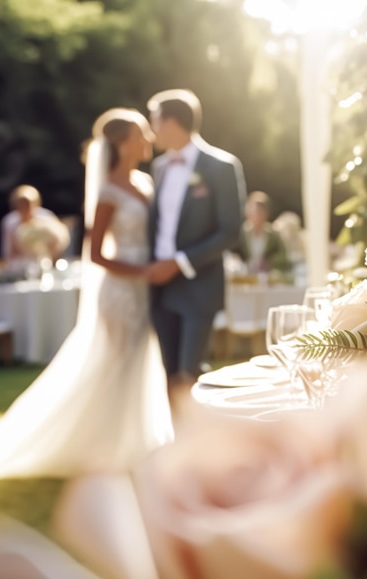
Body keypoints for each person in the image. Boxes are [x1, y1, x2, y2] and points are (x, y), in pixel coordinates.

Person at [0, 107, 173, 485]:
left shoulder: (145, 183)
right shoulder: (108, 191)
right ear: (123, 143)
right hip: (122, 290)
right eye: (142, 132)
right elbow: (95, 254)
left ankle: (136, 447)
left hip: (148, 289)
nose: (148, 139)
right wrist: (143, 271)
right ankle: (101, 449)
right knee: (114, 363)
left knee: (141, 360)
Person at [145, 89, 246, 413]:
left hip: (198, 284)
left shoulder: (221, 166)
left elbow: (231, 231)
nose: (151, 129)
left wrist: (179, 263)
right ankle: (177, 449)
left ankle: (197, 452)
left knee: (189, 375)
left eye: (155, 121)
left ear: (172, 122)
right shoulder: (159, 168)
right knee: (168, 373)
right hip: (159, 287)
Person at [236, 191, 291, 274]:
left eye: (261, 211)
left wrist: (269, 263)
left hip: (267, 278)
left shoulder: (274, 235)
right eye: (255, 212)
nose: (258, 215)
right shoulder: (241, 234)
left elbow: (284, 257)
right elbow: (232, 256)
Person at [0, 185, 61, 260]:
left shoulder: (46, 218)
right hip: (19, 264)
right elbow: (7, 251)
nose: (25, 206)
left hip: (43, 261)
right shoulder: (9, 222)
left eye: (27, 203)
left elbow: (59, 241)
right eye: (21, 203)